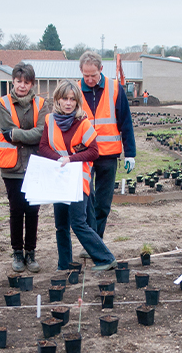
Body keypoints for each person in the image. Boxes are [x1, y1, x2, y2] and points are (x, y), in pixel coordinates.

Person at [37, 80, 116, 272]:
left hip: (79, 180)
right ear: (57, 100)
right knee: (61, 225)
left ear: (77, 102)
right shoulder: (50, 120)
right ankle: (64, 264)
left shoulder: (83, 122)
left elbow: (94, 151)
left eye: (72, 99)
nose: (68, 103)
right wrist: (59, 159)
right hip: (60, 180)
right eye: (65, 98)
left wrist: (70, 159)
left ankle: (105, 258)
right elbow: (43, 147)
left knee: (78, 222)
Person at [77, 51, 136, 244]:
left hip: (108, 156)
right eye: (86, 75)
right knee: (87, 203)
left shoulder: (115, 88)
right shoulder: (75, 92)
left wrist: (130, 154)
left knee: (103, 204)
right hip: (84, 156)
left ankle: (97, 242)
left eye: (93, 75)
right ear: (81, 72)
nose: (90, 79)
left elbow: (125, 122)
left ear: (101, 69)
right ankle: (93, 243)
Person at [0, 63, 46, 273]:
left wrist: (19, 135)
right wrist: (29, 135)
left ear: (31, 83)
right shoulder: (2, 104)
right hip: (12, 166)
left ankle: (30, 253)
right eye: (18, 81)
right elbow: (8, 133)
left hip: (35, 165)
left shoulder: (41, 103)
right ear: (13, 82)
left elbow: (43, 132)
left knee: (32, 211)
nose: (22, 86)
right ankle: (17, 253)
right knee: (16, 210)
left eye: (26, 82)